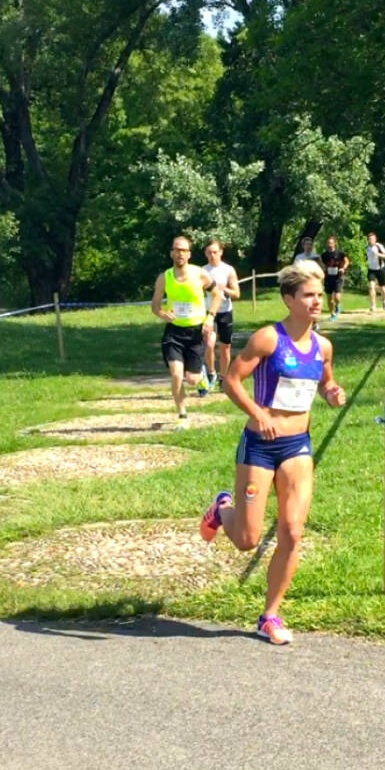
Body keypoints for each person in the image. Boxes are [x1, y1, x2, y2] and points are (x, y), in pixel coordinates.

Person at [199, 261, 346, 645]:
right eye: (309, 295)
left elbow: (325, 381)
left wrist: (331, 393)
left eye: (319, 294)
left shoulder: (323, 346)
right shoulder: (269, 338)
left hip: (298, 446)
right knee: (248, 539)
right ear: (289, 299)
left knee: (293, 532)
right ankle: (222, 510)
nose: (317, 301)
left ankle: (270, 615)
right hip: (260, 446)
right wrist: (258, 414)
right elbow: (231, 381)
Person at [150, 236, 223, 428]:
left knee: (192, 379)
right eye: (177, 250)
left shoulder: (200, 274)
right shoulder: (164, 277)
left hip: (195, 333)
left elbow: (217, 295)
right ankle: (182, 414)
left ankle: (202, 378)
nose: (180, 253)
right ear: (171, 253)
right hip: (174, 333)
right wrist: (163, 314)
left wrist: (210, 316)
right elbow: (155, 305)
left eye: (184, 250)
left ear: (189, 254)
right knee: (176, 375)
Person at [202, 239, 240, 388]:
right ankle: (211, 372)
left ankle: (224, 377)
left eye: (215, 252)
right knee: (209, 345)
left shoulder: (228, 270)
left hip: (225, 311)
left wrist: (225, 289)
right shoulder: (202, 271)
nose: (212, 255)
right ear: (205, 254)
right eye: (209, 252)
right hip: (208, 311)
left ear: (221, 253)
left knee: (225, 347)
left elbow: (236, 293)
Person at [321, 235, 349, 319]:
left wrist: (343, 268)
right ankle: (332, 314)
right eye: (328, 243)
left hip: (338, 277)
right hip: (328, 277)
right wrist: (323, 269)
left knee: (337, 297)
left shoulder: (340, 253)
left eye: (331, 243)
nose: (330, 244)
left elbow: (347, 261)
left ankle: (338, 305)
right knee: (329, 298)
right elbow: (321, 263)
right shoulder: (324, 255)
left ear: (334, 244)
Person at [365, 232, 385, 312]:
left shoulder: (379, 246)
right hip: (371, 270)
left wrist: (378, 254)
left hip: (380, 269)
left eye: (372, 239)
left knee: (382, 288)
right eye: (369, 239)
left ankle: (384, 301)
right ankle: (373, 305)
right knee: (371, 287)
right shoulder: (367, 247)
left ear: (375, 239)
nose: (371, 240)